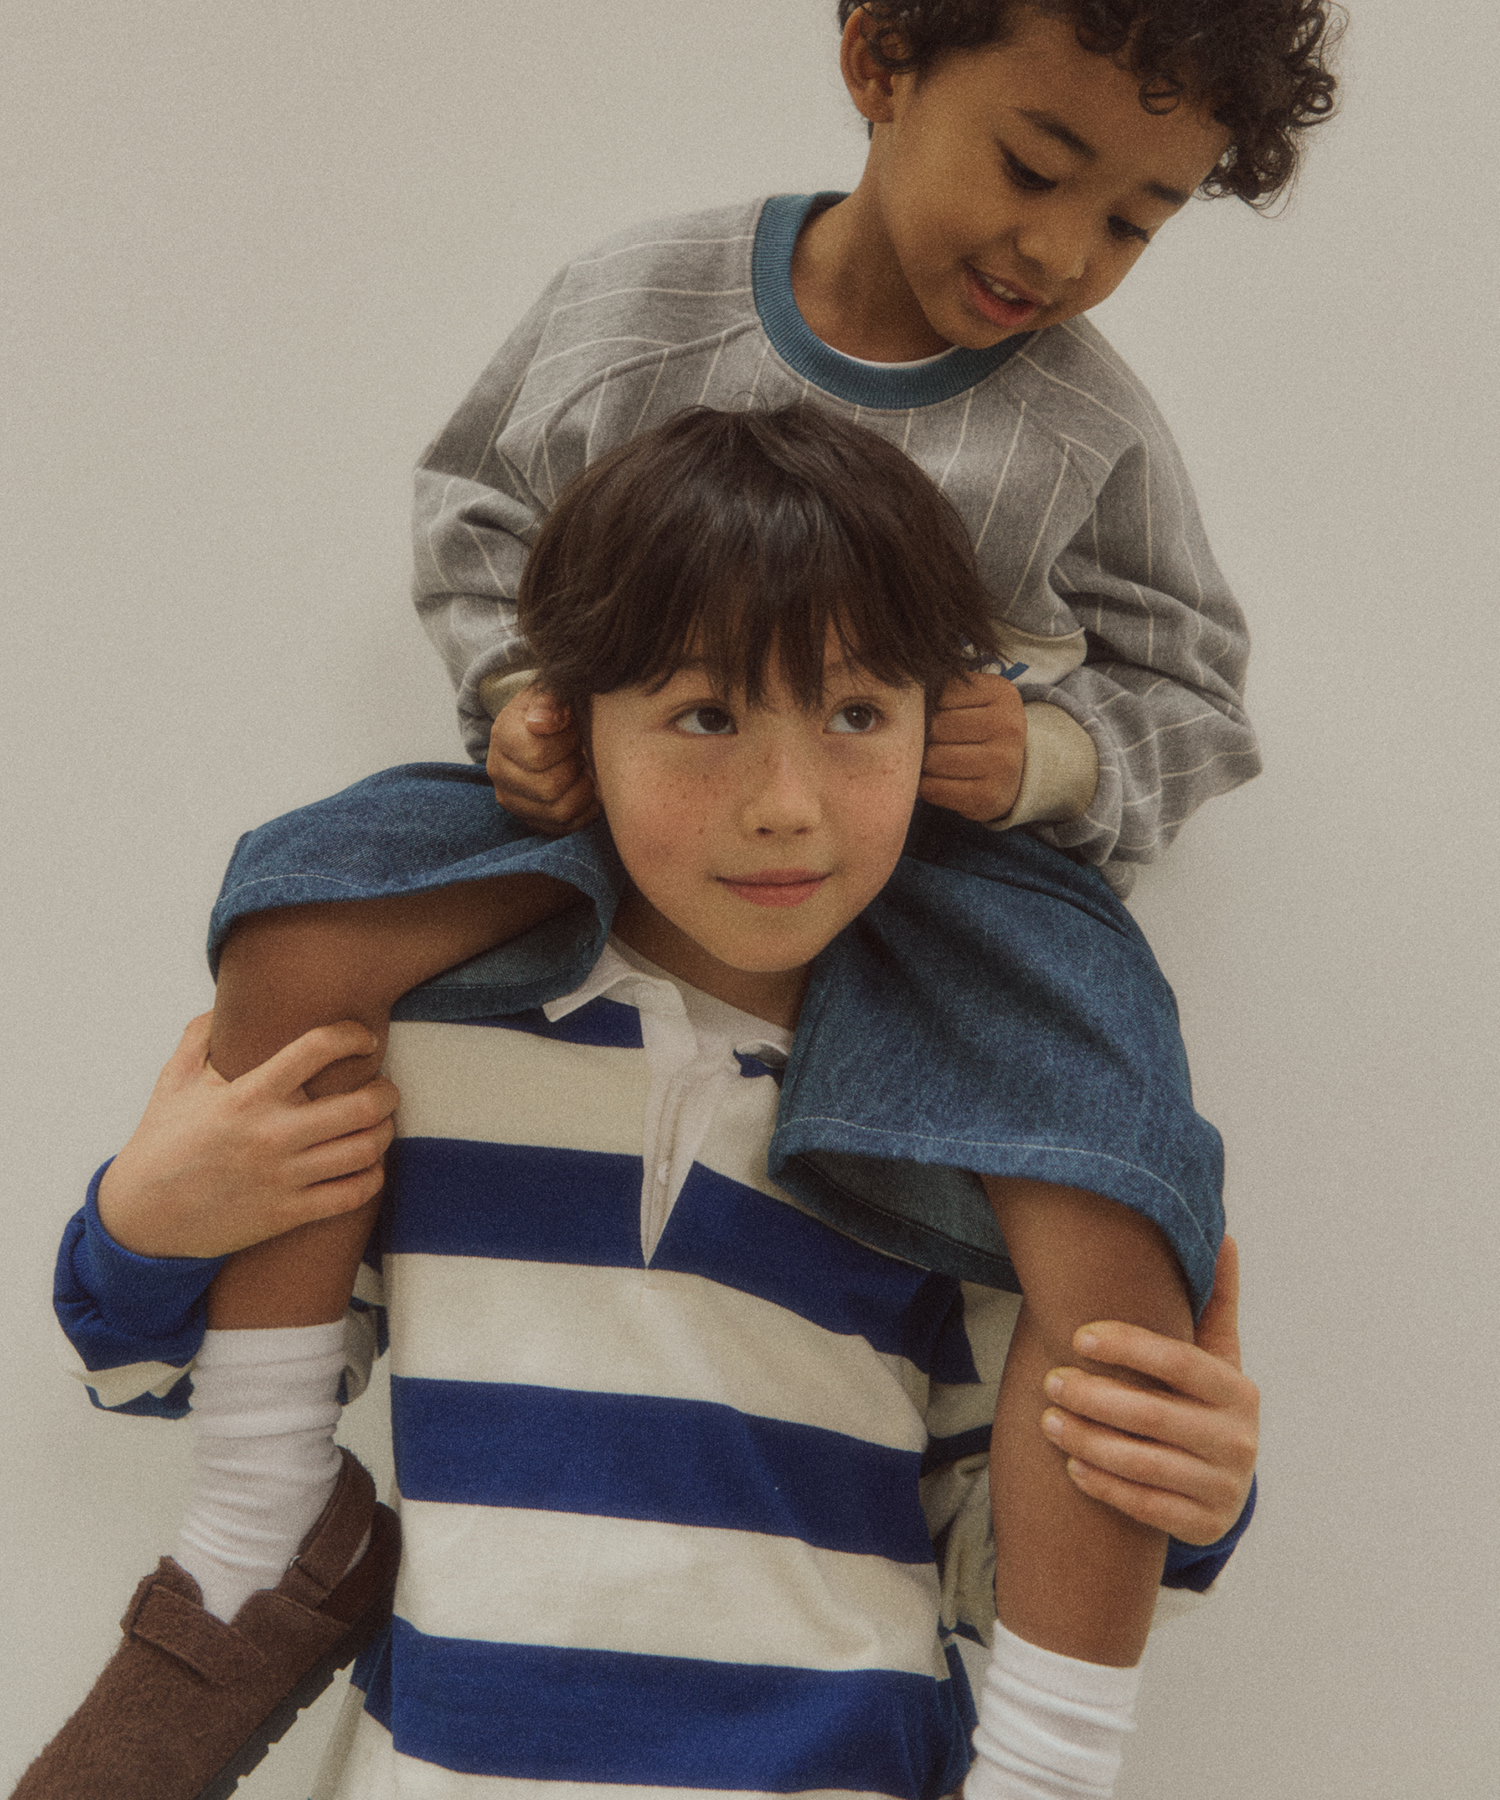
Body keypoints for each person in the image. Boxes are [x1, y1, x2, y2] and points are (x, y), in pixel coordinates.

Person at [24, 407, 1258, 1800]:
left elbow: (982, 1550)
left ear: (935, 726)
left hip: (837, 1769)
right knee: (298, 903)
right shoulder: (434, 1043)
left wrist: (1186, 1504)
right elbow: (164, 1379)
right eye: (705, 717)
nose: (786, 803)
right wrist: (145, 1224)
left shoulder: (963, 1122)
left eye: (858, 716)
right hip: (433, 1775)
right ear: (569, 725)